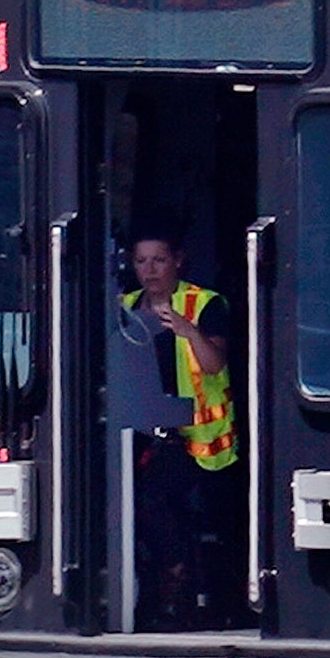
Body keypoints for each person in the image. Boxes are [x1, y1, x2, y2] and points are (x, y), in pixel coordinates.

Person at [122, 234, 241, 630]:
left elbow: (213, 365)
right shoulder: (124, 307)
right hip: (136, 431)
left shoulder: (205, 304)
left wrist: (190, 332)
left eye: (159, 259)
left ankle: (176, 577)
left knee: (153, 499)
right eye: (142, 261)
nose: (150, 270)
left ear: (178, 260)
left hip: (198, 440)